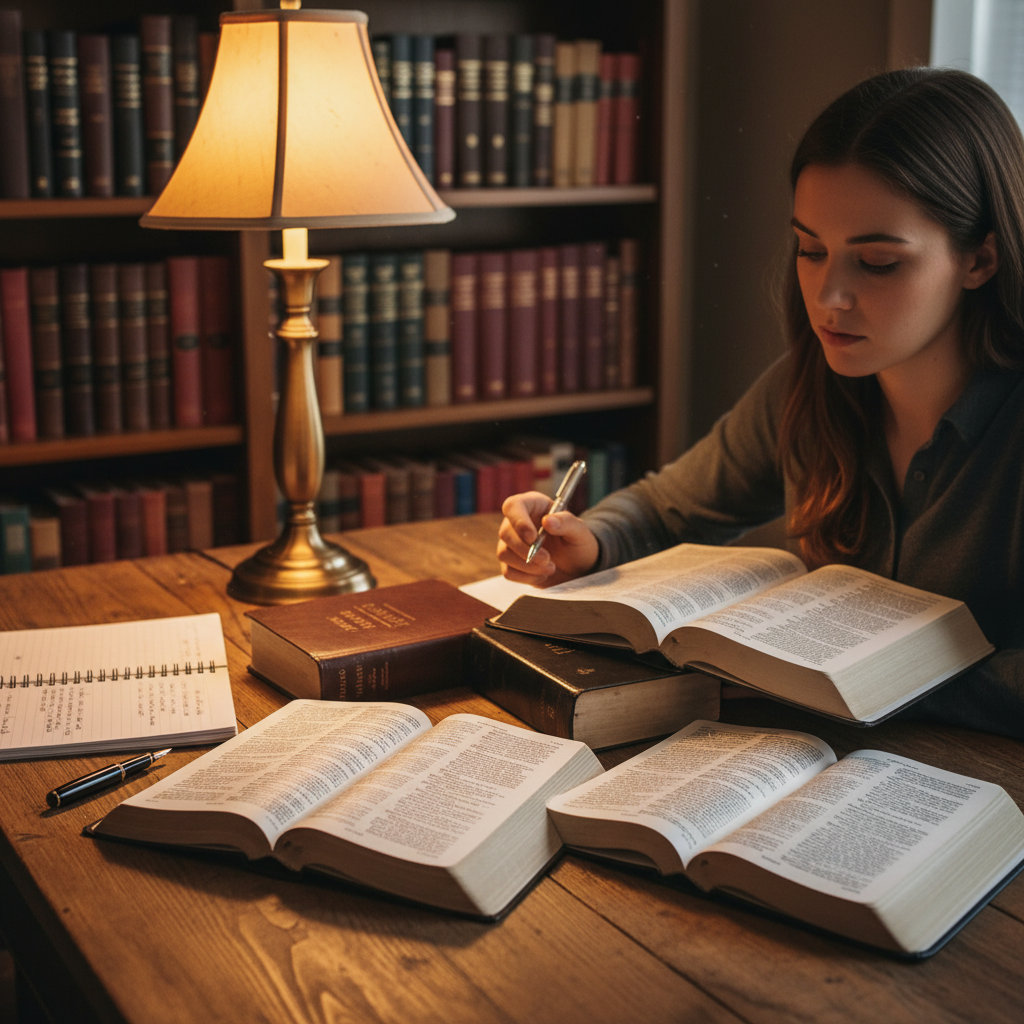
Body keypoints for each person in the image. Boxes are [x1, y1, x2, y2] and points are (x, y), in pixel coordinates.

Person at [496, 67, 1024, 739]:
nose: (828, 296)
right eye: (810, 249)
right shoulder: (810, 386)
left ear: (981, 260)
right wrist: (589, 542)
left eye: (879, 263)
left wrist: (877, 675)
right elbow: (667, 506)